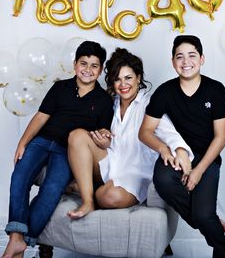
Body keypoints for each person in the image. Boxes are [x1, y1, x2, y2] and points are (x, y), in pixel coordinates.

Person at [2, 41, 114, 258]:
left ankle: (23, 241)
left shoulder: (103, 100)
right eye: (83, 63)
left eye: (94, 66)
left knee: (52, 191)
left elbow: (101, 134)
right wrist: (22, 143)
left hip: (66, 151)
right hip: (43, 141)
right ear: (74, 65)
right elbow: (41, 116)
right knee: (19, 177)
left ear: (100, 70)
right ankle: (16, 238)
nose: (88, 70)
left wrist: (103, 142)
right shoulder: (60, 87)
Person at [67, 47, 194, 219]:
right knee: (76, 135)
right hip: (110, 162)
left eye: (128, 78)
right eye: (117, 80)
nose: (123, 84)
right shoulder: (110, 103)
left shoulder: (149, 103)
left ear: (138, 78)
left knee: (109, 197)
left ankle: (90, 188)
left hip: (135, 173)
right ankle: (88, 201)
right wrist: (104, 139)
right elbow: (108, 136)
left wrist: (180, 150)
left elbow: (169, 132)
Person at [139, 35, 225, 258]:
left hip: (206, 159)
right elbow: (145, 131)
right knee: (163, 181)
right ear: (173, 62)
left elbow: (221, 138)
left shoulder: (216, 90)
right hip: (176, 157)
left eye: (192, 55)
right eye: (180, 56)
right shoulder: (164, 92)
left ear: (202, 59)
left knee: (201, 216)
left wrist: (198, 172)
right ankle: (212, 222)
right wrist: (163, 149)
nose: (186, 61)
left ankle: (221, 246)